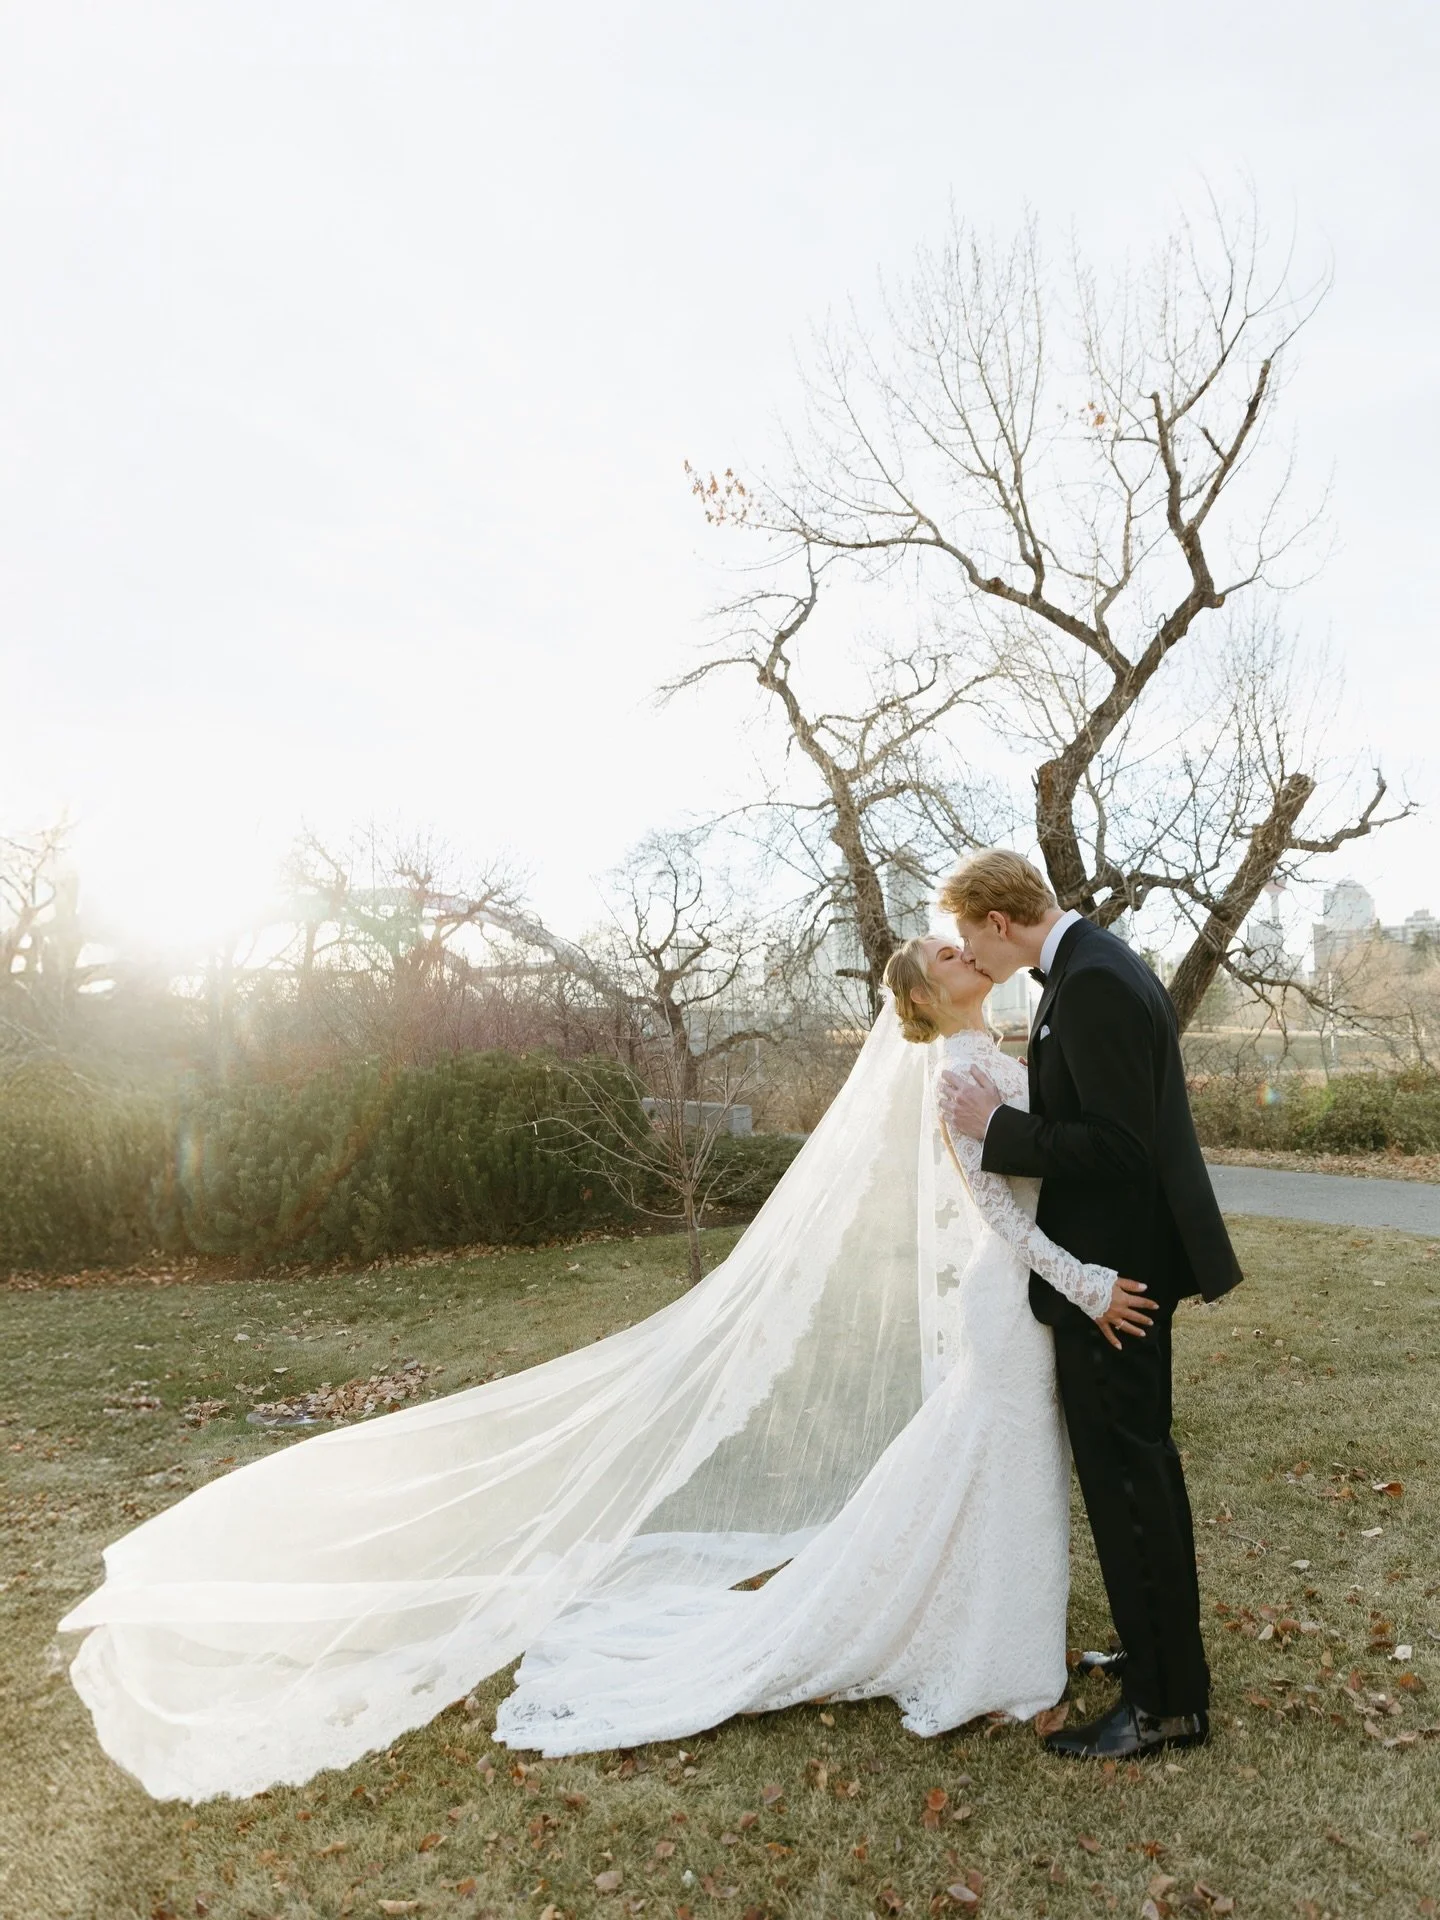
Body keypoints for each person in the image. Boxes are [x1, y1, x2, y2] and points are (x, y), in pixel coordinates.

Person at [57, 934, 1151, 1799]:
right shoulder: (960, 1072)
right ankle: (1004, 1671)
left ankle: (997, 1644)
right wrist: (1088, 1284)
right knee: (996, 1461)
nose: (967, 953)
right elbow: (993, 1210)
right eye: (949, 956)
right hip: (1017, 1299)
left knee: (989, 1463)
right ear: (930, 999)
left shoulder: (989, 1051)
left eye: (967, 947)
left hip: (1019, 1303)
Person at [936, 849, 1243, 1761]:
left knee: (1130, 1481)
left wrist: (997, 1131)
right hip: (1112, 1270)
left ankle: (1166, 1708)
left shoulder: (1096, 980)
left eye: (967, 937)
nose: (969, 956)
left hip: (1119, 1281)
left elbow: (1119, 1148)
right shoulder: (1086, 967)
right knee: (1130, 1475)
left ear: (998, 923)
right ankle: (1158, 1658)